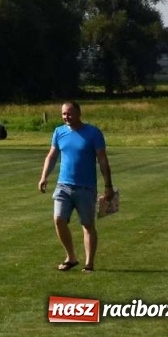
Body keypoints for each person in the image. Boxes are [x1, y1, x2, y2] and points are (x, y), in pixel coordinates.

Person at [39, 100, 114, 272]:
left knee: (87, 225)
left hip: (86, 188)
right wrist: (44, 177)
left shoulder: (93, 133)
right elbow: (51, 156)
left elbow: (102, 160)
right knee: (58, 219)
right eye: (64, 114)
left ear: (79, 113)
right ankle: (71, 257)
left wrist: (108, 185)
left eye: (70, 113)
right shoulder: (59, 132)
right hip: (63, 185)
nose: (67, 117)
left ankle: (89, 263)